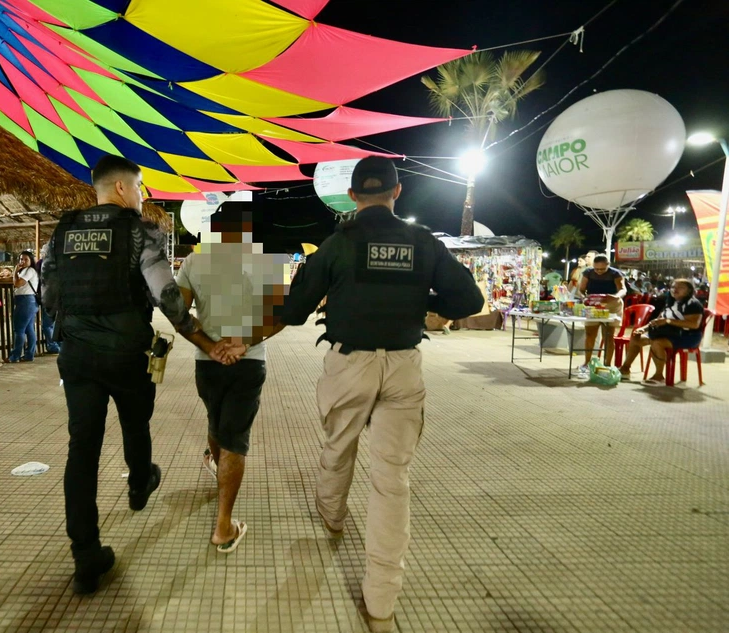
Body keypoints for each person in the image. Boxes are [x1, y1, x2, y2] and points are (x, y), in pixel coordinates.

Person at [280, 156, 484, 633]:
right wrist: (423, 300)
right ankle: (381, 607)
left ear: (352, 197)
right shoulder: (423, 241)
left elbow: (293, 310)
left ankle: (332, 517)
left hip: (349, 364)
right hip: (403, 366)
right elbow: (469, 301)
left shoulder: (337, 244)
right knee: (392, 482)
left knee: (338, 447)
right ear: (397, 193)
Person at [41, 155, 237, 595]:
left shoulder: (64, 231)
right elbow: (167, 298)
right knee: (135, 422)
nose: (144, 194)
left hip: (76, 358)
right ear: (124, 189)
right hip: (126, 353)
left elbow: (49, 292)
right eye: (142, 186)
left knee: (82, 449)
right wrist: (204, 340)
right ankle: (139, 480)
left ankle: (86, 554)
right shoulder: (141, 232)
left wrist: (76, 328)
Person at [176, 206, 288, 553]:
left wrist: (212, 347)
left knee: (217, 424)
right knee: (235, 439)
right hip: (249, 362)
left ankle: (218, 469)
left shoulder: (195, 261)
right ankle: (223, 527)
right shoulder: (268, 261)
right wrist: (245, 342)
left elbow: (178, 314)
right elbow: (282, 316)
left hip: (207, 363)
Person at [618, 278, 705, 384]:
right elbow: (659, 319)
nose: (675, 290)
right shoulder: (671, 302)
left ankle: (659, 376)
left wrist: (668, 321)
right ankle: (625, 369)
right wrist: (644, 328)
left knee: (657, 343)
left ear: (689, 291)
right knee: (636, 338)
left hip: (687, 336)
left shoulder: (693, 304)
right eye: (673, 287)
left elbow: (693, 324)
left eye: (680, 288)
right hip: (667, 333)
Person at [577, 254, 626, 374]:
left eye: (602, 269)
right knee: (590, 334)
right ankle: (586, 363)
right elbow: (581, 289)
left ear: (608, 266)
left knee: (608, 335)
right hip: (593, 303)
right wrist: (584, 298)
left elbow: (623, 289)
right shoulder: (588, 272)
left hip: (611, 305)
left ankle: (607, 364)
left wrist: (616, 297)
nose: (599, 271)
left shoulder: (615, 274)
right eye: (596, 269)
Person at [5, 250, 40, 363]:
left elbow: (17, 283)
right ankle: (29, 355)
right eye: (21, 259)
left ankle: (15, 356)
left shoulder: (29, 271)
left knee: (19, 329)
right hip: (29, 301)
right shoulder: (28, 271)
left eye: (26, 259)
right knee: (29, 329)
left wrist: (15, 271)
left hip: (25, 301)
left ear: (31, 260)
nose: (23, 261)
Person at [35, 243, 60, 354]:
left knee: (47, 324)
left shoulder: (42, 264)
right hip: (60, 297)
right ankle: (59, 344)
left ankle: (53, 345)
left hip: (48, 297)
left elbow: (39, 280)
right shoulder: (61, 263)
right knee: (58, 322)